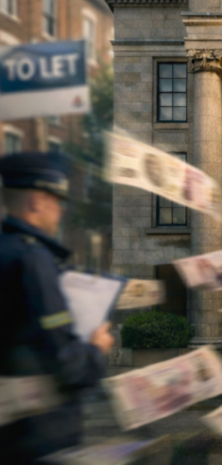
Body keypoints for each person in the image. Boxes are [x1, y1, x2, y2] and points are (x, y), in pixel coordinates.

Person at [0, 153, 114, 462]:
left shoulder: (6, 248)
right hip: (40, 434)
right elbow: (66, 365)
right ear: (36, 201)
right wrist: (96, 348)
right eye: (56, 199)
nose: (61, 209)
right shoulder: (33, 259)